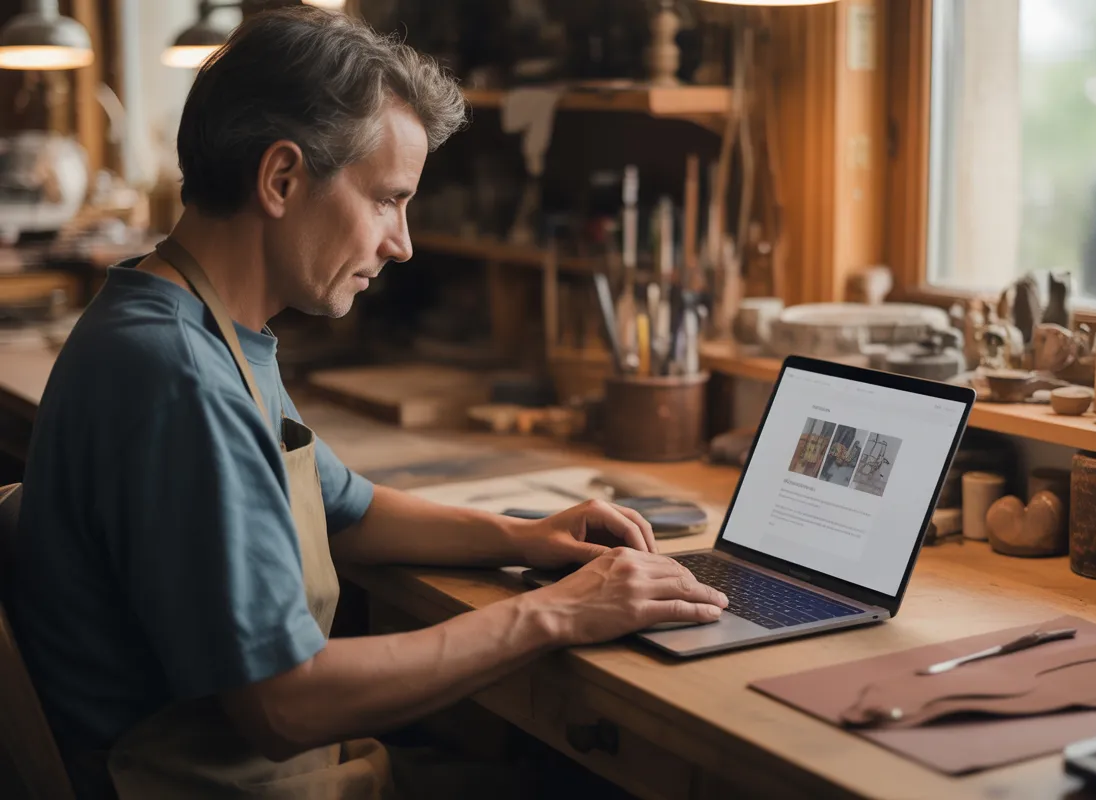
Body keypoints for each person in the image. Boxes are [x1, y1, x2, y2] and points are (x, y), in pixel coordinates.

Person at [10, 8, 726, 799]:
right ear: (282, 180)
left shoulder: (192, 318)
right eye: (387, 199)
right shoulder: (179, 376)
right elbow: (285, 705)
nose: (401, 242)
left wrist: (526, 536)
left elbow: (345, 509)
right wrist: (555, 613)